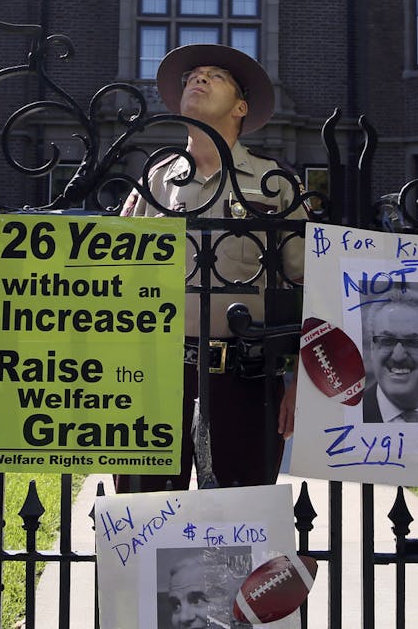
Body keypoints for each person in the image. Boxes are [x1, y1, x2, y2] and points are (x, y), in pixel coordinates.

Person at [118, 44, 306, 491]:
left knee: (240, 523)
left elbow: (307, 284)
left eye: (214, 76)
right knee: (144, 516)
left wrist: (302, 381)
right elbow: (117, 278)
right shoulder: (154, 182)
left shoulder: (274, 183)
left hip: (246, 377)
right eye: (192, 76)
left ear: (241, 106)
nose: (197, 80)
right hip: (154, 374)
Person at [359, 285, 418, 424]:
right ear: (373, 348)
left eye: (413, 342)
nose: (398, 356)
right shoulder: (346, 415)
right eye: (387, 341)